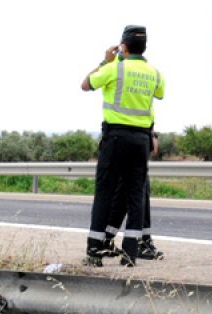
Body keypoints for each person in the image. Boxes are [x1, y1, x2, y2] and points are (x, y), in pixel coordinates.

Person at [82, 24, 164, 265]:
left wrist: (105, 61)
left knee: (105, 191)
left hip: (115, 138)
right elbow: (156, 97)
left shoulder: (114, 69)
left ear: (123, 47)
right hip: (141, 140)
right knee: (136, 194)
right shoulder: (154, 73)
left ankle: (95, 249)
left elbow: (86, 85)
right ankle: (131, 251)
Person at [104, 132, 162, 260]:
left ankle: (107, 240)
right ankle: (140, 244)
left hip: (124, 141)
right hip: (132, 143)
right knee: (136, 196)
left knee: (124, 196)